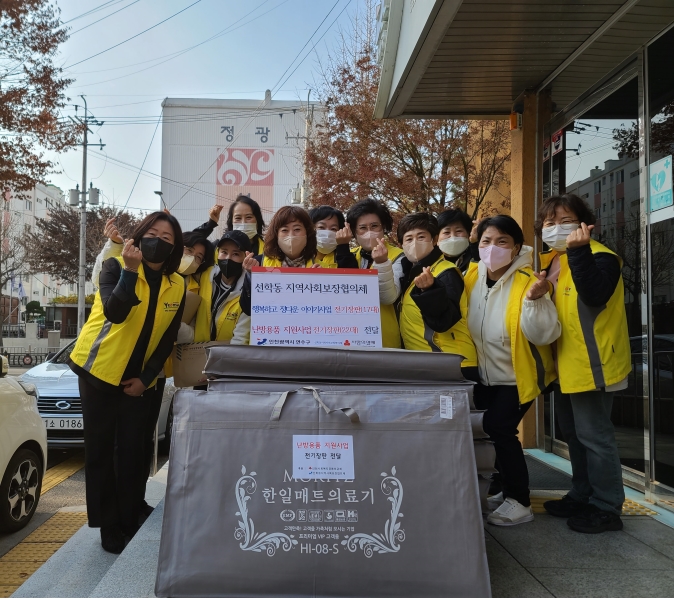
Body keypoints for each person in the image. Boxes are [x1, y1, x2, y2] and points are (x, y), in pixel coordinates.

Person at [68, 212, 185, 554]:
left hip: (138, 379)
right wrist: (132, 272)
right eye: (153, 232)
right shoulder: (114, 266)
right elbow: (116, 312)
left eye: (167, 237)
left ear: (175, 247)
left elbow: (168, 338)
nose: (158, 241)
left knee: (134, 450)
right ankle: (108, 525)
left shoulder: (176, 283)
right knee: (102, 451)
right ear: (138, 235)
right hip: (98, 372)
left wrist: (147, 379)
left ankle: (130, 512)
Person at [536, 194, 631, 534]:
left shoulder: (603, 257)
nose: (557, 228)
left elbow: (594, 294)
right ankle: (582, 493)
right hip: (563, 365)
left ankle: (607, 506)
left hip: (594, 364)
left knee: (595, 437)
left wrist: (578, 251)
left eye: (565, 220)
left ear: (584, 223)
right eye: (549, 223)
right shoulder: (551, 262)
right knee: (574, 436)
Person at [465, 215, 559, 526]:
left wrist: (534, 301)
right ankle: (503, 490)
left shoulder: (527, 282)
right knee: (489, 432)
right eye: (486, 242)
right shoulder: (471, 276)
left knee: (499, 429)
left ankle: (520, 500)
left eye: (502, 242)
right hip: (485, 375)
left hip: (519, 375)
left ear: (516, 246)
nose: (492, 249)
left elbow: (545, 335)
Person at [390, 213, 478, 378]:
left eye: (421, 236)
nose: (415, 243)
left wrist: (430, 291)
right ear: (401, 245)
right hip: (430, 364)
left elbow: (444, 321)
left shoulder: (445, 272)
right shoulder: (413, 274)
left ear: (435, 239)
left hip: (452, 365)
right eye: (408, 239)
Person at [346, 199, 404, 348]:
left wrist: (382, 263)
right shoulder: (350, 256)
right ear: (354, 232)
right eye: (362, 228)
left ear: (383, 227)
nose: (369, 232)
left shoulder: (400, 256)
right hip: (351, 337)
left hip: (386, 340)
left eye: (374, 226)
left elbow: (388, 297)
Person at [180, 230, 251, 345]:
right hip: (195, 354)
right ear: (217, 253)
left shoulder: (248, 292)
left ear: (246, 256)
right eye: (224, 252)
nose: (228, 258)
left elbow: (241, 339)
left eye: (236, 254)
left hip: (227, 357)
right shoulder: (201, 277)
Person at [437, 209, 479, 274]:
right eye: (446, 232)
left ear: (469, 234)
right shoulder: (430, 263)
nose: (453, 237)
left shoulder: (478, 257)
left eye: (458, 231)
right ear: (436, 238)